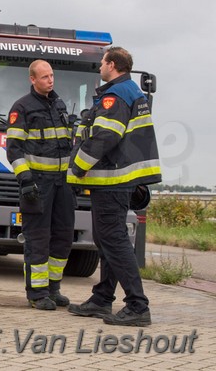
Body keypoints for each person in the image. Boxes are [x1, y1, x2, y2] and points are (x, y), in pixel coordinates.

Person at [67, 47, 161, 327]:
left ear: (113, 65)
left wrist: (79, 166)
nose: (99, 68)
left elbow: (105, 136)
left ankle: (137, 305)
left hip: (112, 180)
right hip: (118, 180)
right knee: (107, 239)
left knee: (115, 241)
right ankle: (102, 298)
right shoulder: (130, 91)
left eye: (102, 63)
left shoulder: (115, 95)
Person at [6, 59, 75, 310]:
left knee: (64, 236)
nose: (50, 80)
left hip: (62, 184)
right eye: (45, 77)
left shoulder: (59, 104)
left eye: (52, 75)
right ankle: (37, 293)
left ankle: (53, 288)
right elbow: (13, 150)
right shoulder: (21, 107)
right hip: (37, 185)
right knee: (38, 238)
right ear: (32, 79)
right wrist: (25, 179)